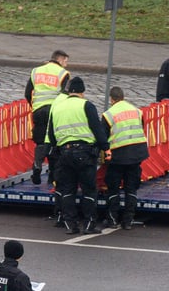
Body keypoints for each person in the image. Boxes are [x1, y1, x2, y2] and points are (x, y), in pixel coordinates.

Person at [46, 76, 109, 235]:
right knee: (89, 190)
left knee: (68, 189)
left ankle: (70, 224)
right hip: (85, 153)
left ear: (69, 91)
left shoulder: (58, 107)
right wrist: (106, 148)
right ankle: (89, 225)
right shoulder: (86, 105)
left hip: (64, 153)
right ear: (82, 92)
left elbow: (52, 135)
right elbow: (97, 129)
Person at [101, 87, 149, 230]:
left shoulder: (109, 114)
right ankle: (128, 220)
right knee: (131, 188)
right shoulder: (136, 111)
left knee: (113, 188)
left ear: (112, 99)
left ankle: (112, 219)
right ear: (123, 97)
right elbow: (141, 128)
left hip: (118, 155)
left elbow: (103, 138)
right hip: (136, 154)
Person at [25, 50, 70, 185]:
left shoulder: (36, 71)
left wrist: (34, 106)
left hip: (38, 110)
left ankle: (37, 166)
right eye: (66, 61)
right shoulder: (63, 74)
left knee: (40, 140)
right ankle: (53, 175)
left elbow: (28, 93)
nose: (66, 64)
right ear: (60, 60)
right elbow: (65, 95)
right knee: (54, 142)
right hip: (55, 111)